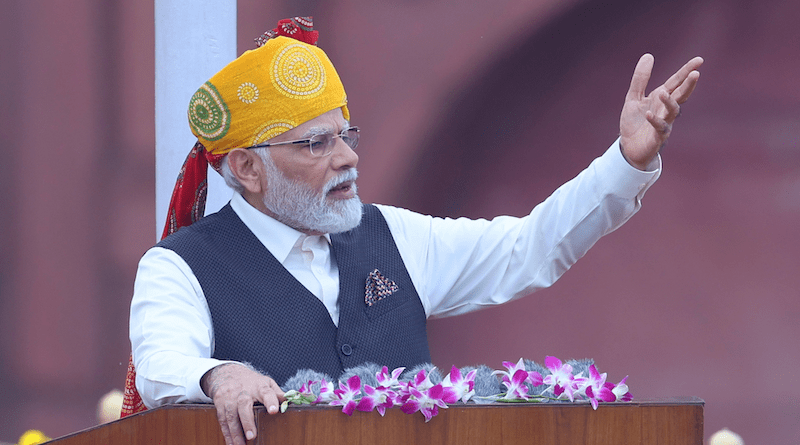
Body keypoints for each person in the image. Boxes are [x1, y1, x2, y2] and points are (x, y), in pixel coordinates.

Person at [127, 17, 702, 445]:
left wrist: (625, 161)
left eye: (346, 134)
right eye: (317, 143)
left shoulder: (392, 235)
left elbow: (528, 248)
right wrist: (218, 374)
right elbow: (161, 367)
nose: (347, 157)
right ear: (248, 169)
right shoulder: (180, 266)